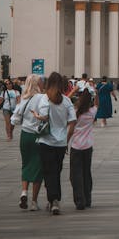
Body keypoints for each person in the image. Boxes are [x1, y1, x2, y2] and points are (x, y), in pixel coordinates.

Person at [34, 71, 77, 215]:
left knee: (49, 172)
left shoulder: (44, 100)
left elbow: (44, 117)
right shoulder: (66, 101)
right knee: (56, 172)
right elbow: (73, 122)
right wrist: (66, 140)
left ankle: (53, 200)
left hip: (46, 141)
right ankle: (54, 199)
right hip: (60, 143)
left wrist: (36, 116)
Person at [10, 74, 44, 211]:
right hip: (38, 136)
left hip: (25, 135)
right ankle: (34, 202)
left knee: (26, 164)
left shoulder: (23, 100)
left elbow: (14, 120)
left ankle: (24, 192)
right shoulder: (42, 98)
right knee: (38, 167)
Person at [69, 89, 97, 210]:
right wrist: (97, 93)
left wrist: (66, 143)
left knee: (76, 175)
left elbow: (70, 130)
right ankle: (88, 199)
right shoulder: (92, 112)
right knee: (86, 173)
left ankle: (79, 200)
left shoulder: (75, 113)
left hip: (76, 146)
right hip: (88, 146)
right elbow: (97, 104)